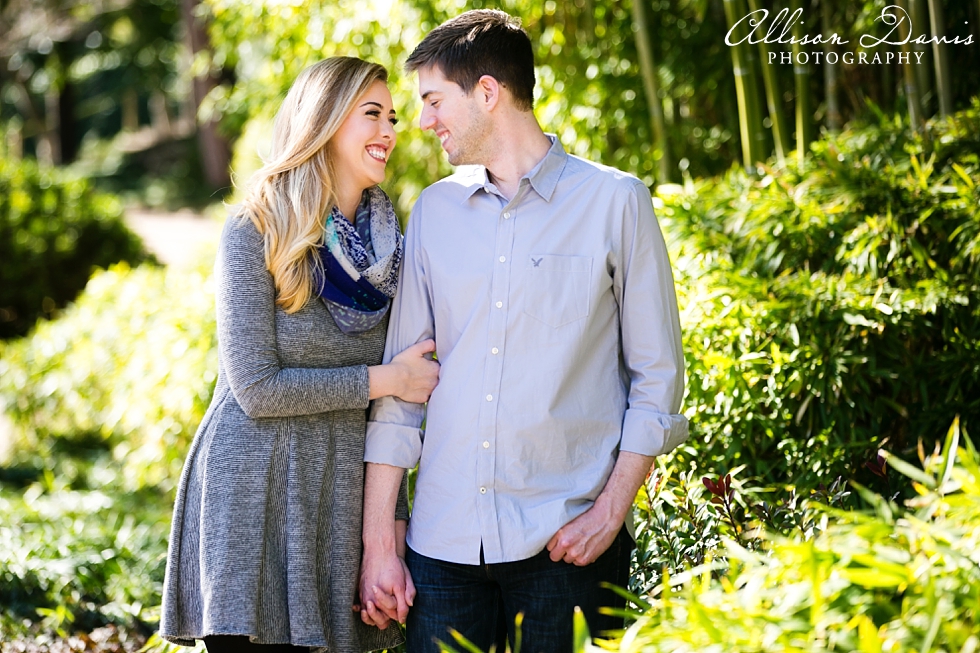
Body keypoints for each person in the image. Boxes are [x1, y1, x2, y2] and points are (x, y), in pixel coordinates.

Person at [357, 9, 689, 653]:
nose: (422, 122)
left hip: (567, 546)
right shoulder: (432, 213)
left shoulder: (616, 203)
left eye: (433, 101)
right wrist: (379, 550)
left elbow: (658, 379)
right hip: (443, 550)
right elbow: (400, 395)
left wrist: (610, 513)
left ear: (487, 92)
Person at [159, 56, 439, 653]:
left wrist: (389, 531)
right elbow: (256, 388)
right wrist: (384, 378)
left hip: (334, 501)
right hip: (251, 493)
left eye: (392, 116)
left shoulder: (395, 251)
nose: (390, 131)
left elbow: (395, 409)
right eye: (372, 114)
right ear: (325, 120)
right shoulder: (255, 228)